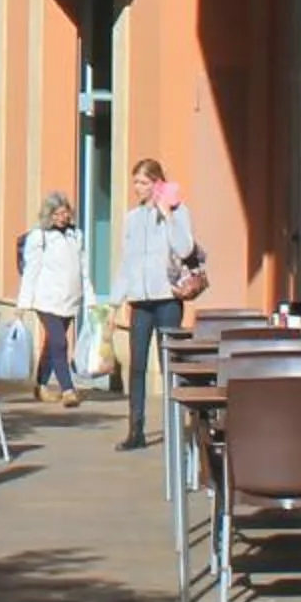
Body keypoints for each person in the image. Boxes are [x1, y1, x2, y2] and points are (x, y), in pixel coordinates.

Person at [112, 157, 198, 450]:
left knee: (169, 364)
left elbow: (186, 248)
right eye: (136, 182)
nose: (138, 188)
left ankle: (175, 429)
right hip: (140, 301)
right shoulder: (132, 218)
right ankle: (135, 430)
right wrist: (115, 301)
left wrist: (167, 214)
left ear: (158, 183)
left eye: (144, 182)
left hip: (168, 300)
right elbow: (127, 261)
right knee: (136, 366)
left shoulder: (178, 211)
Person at [15, 192, 87, 408]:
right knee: (59, 342)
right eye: (57, 213)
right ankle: (68, 389)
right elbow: (31, 271)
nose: (62, 217)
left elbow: (83, 268)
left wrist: (89, 299)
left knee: (51, 344)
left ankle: (40, 384)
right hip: (46, 300)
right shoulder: (40, 237)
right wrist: (23, 304)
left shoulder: (76, 236)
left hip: (69, 299)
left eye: (65, 212)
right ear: (49, 215)